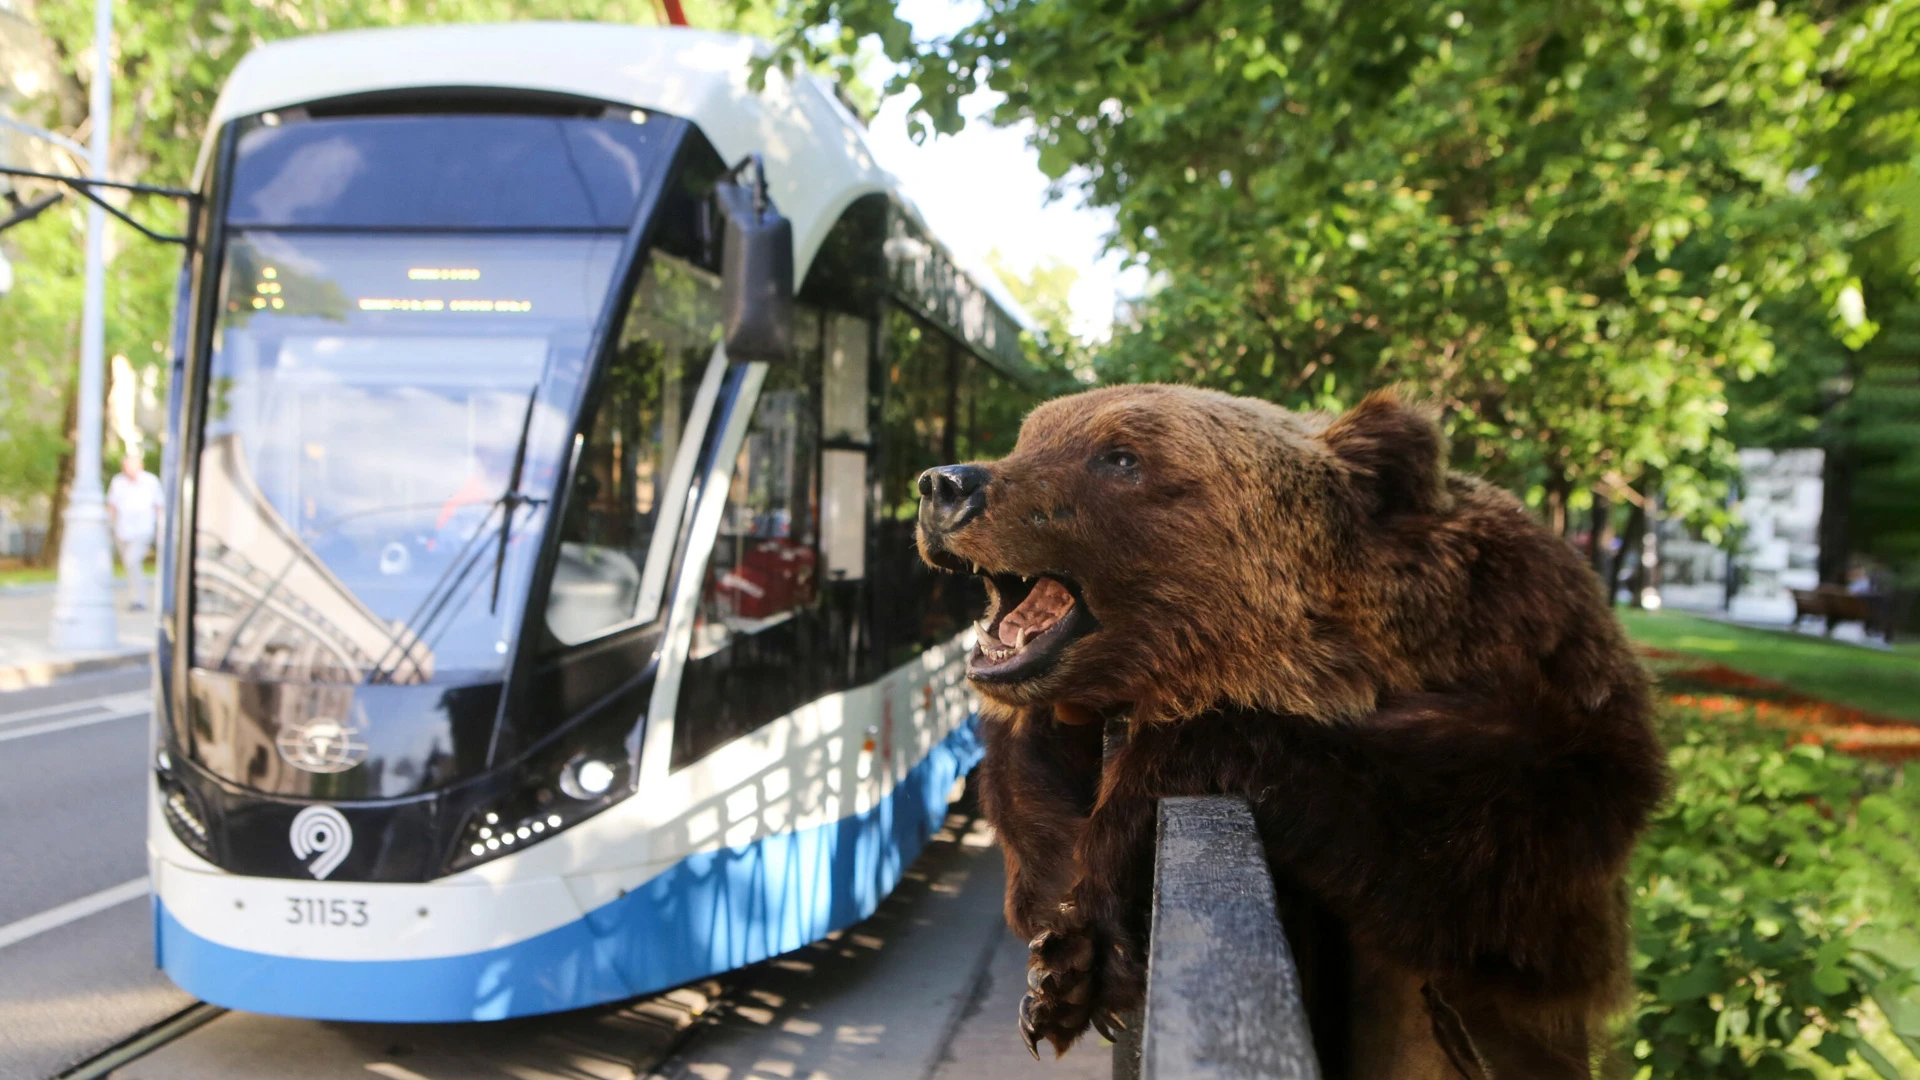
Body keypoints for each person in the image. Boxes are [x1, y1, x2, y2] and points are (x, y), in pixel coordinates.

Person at [106, 451, 164, 611]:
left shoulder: (150, 482)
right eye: (125, 466)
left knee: (132, 561)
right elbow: (112, 505)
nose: (128, 469)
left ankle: (139, 599)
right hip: (122, 531)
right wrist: (108, 525)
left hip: (143, 530)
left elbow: (159, 506)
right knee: (129, 564)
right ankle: (136, 596)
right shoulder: (118, 482)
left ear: (140, 466)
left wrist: (161, 529)